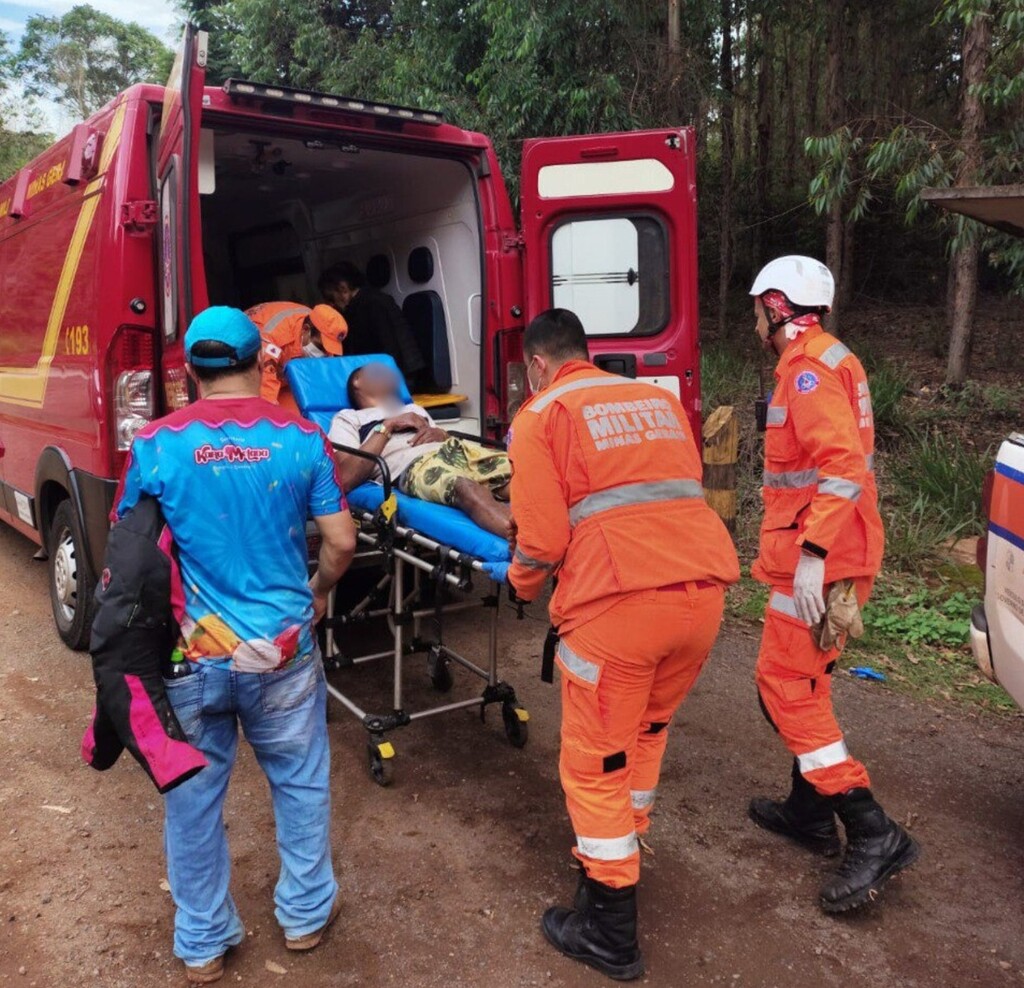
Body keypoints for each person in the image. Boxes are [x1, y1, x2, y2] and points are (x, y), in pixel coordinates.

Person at [113, 306, 357, 984]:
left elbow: (128, 552)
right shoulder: (302, 438)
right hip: (282, 653)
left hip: (192, 656)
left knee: (192, 798)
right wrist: (317, 590)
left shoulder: (154, 445)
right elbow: (340, 541)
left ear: (192, 371)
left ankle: (202, 941)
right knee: (300, 783)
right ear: (262, 362)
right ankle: (305, 915)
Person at [506, 309, 740, 981]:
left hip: (620, 608)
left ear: (538, 365)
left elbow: (542, 541)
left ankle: (609, 928)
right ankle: (619, 853)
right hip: (701, 597)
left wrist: (521, 586)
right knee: (644, 736)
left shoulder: (541, 415)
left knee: (594, 763)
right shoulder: (654, 402)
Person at [746, 255, 919, 914]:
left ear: (779, 308)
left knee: (786, 687)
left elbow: (842, 465)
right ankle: (809, 811)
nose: (752, 321)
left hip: (823, 556)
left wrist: (815, 553)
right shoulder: (821, 358)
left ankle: (873, 831)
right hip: (825, 550)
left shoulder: (810, 371)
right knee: (802, 681)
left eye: (757, 309)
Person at [328, 361, 512, 537]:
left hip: (456, 450)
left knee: (518, 470)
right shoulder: (349, 418)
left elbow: (440, 437)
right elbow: (346, 478)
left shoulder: (414, 408)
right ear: (357, 382)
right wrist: (388, 426)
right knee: (465, 488)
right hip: (415, 465)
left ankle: (529, 530)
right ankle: (524, 544)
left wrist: (442, 434)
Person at [318, 262, 428, 389]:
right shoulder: (361, 305)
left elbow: (391, 348)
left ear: (343, 288)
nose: (331, 305)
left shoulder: (373, 304)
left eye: (331, 298)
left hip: (400, 375)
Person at [246, 300, 348, 415]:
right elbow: (265, 383)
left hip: (281, 375)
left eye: (329, 349)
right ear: (305, 330)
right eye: (320, 347)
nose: (324, 354)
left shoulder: (319, 324)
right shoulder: (272, 336)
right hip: (247, 371)